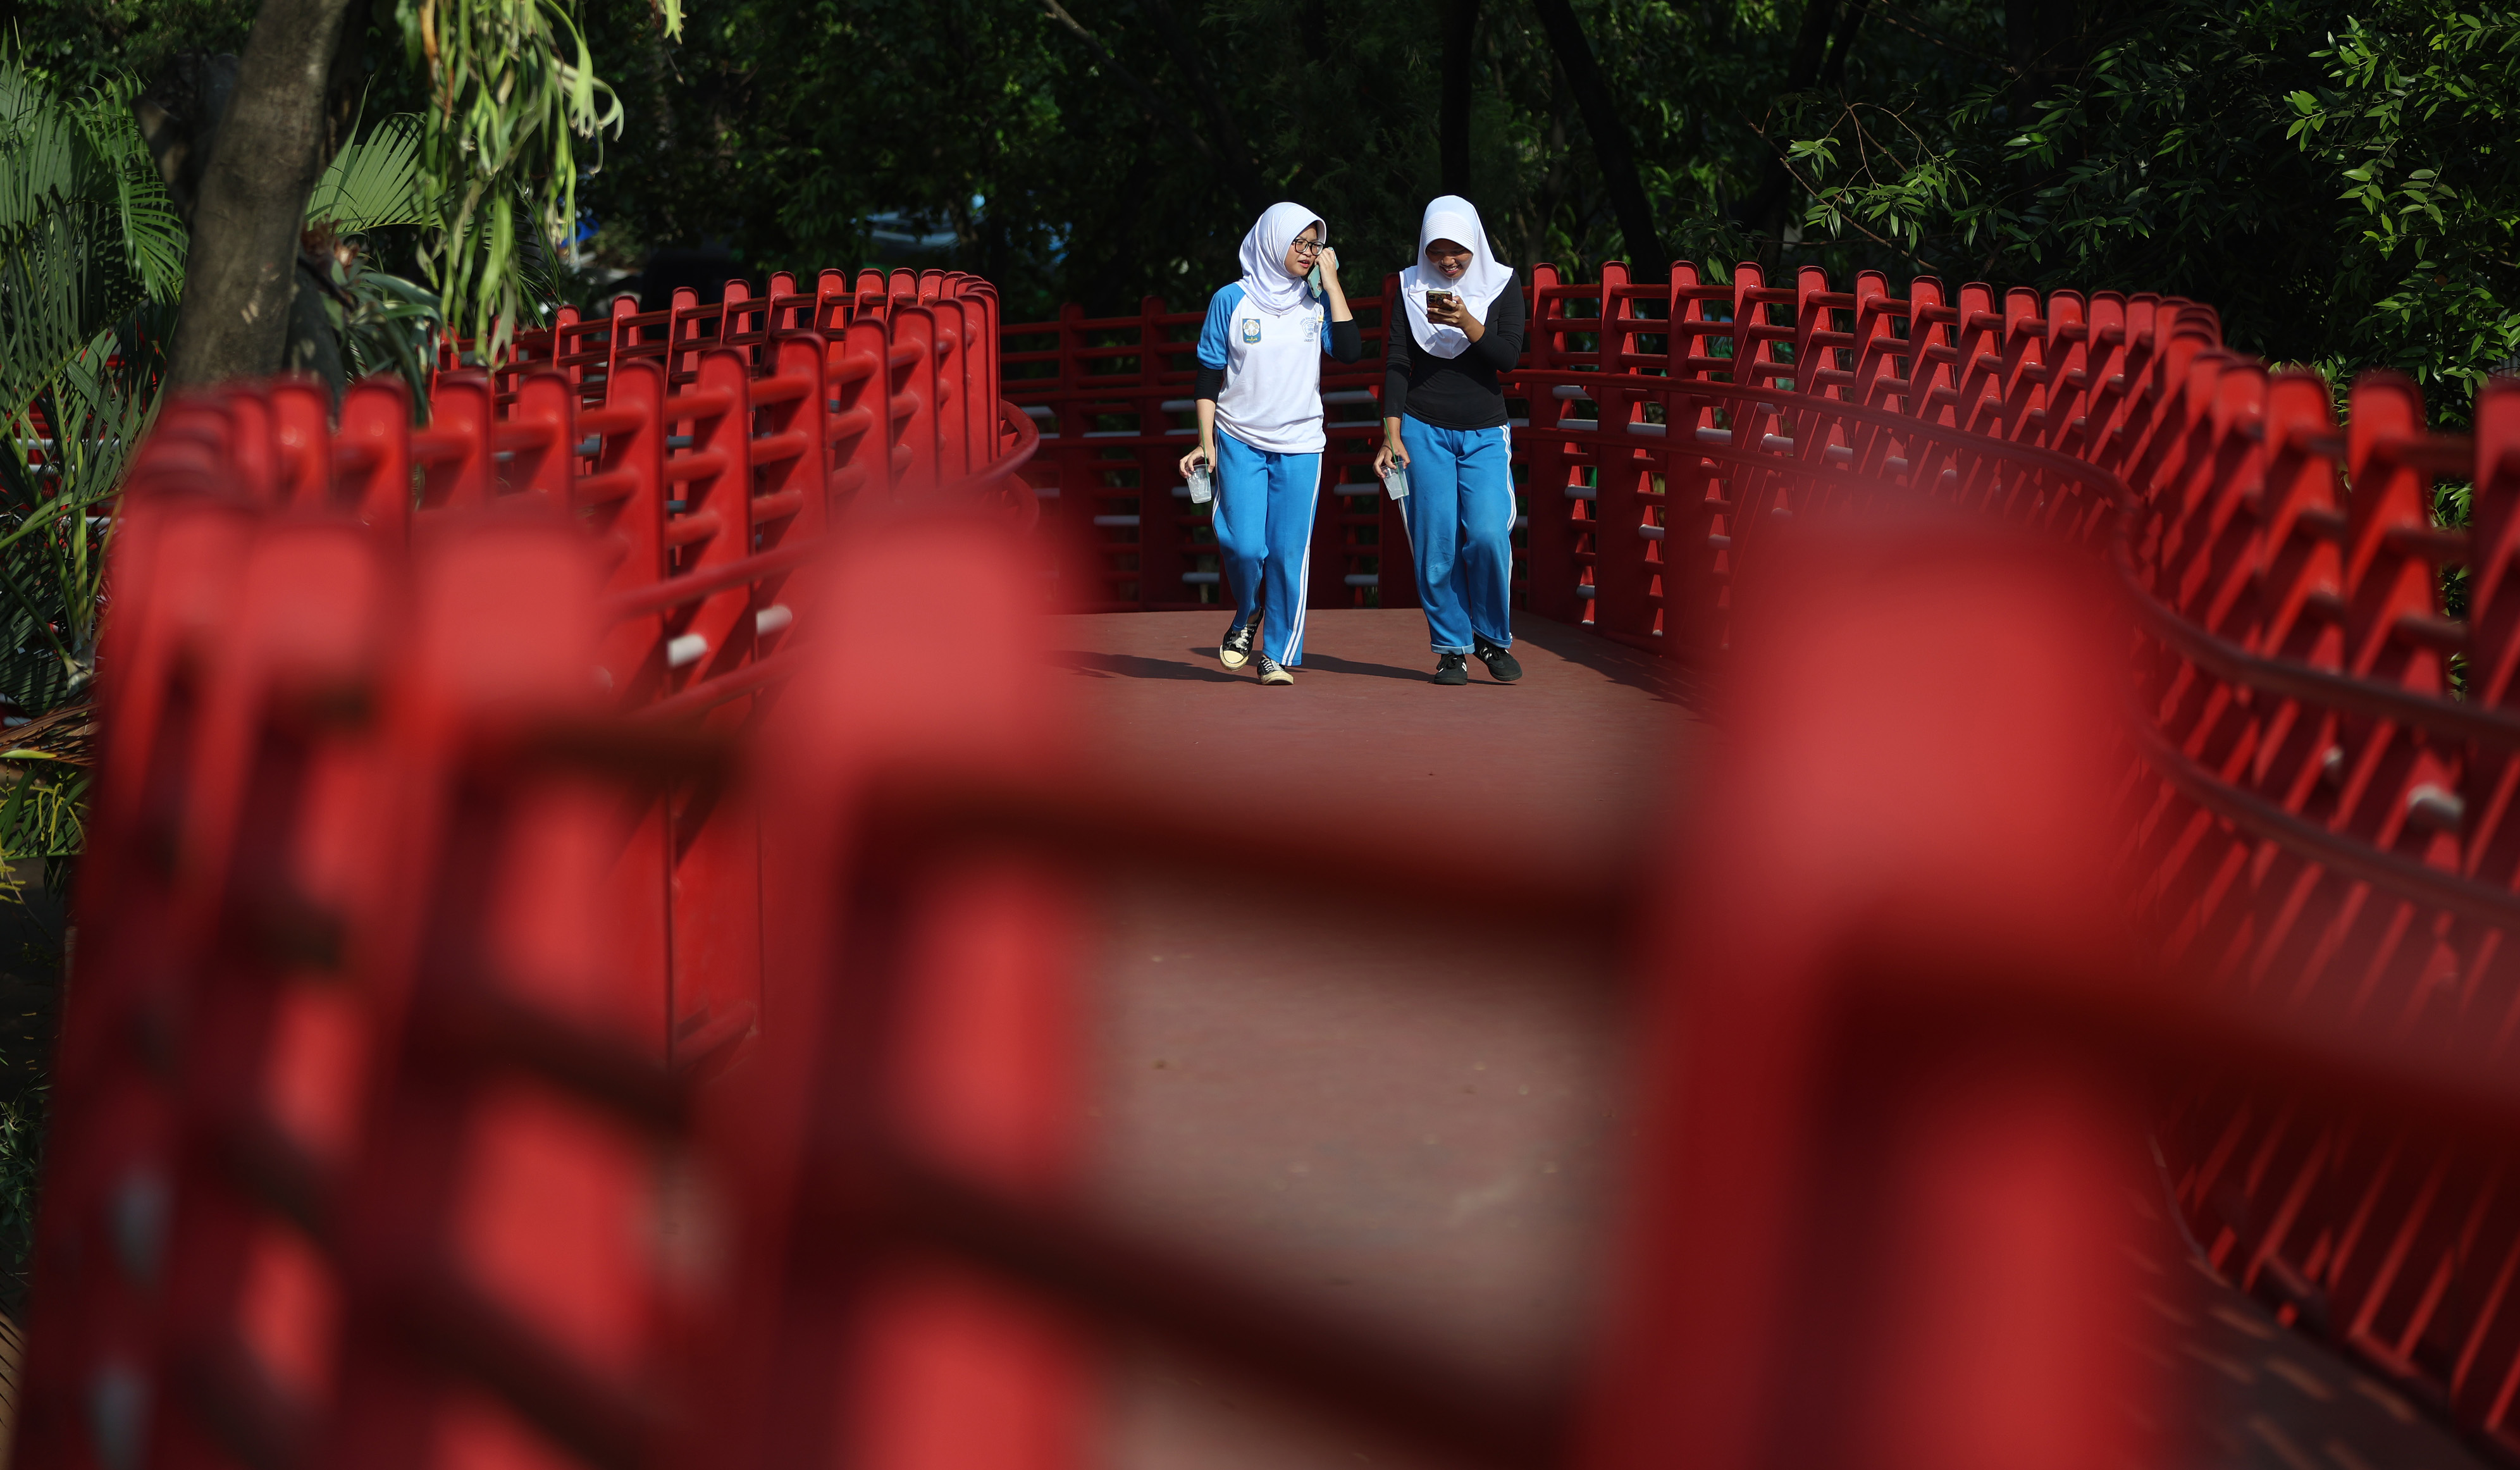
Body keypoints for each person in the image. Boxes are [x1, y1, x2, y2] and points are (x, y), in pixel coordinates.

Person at [1178, 202, 1361, 685]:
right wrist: (1204, 442)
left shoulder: (1317, 301)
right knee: (1242, 546)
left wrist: (1332, 282)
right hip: (1239, 438)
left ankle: (1276, 654)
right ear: (1271, 241)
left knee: (1286, 553)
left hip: (1302, 443)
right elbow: (1207, 375)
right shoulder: (1230, 301)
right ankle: (1249, 610)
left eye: (1314, 244)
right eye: (1298, 244)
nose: (1306, 253)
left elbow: (1350, 352)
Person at [1373, 196, 1526, 686]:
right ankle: (1451, 649)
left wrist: (1466, 321)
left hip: (1485, 429)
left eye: (1457, 251)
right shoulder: (1409, 285)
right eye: (1437, 252)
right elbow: (1397, 361)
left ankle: (1490, 637)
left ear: (1474, 245)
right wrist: (1391, 434)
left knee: (1486, 534)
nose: (1448, 262)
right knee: (1435, 542)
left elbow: (1507, 357)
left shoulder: (1502, 283)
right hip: (1422, 427)